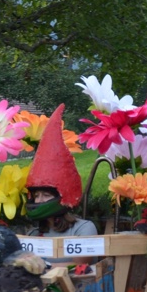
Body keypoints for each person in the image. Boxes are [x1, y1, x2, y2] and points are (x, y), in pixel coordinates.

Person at [24, 104, 97, 264]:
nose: (39, 200)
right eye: (36, 195)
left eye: (46, 194)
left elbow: (80, 266)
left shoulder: (83, 229)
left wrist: (41, 268)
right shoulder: (34, 234)